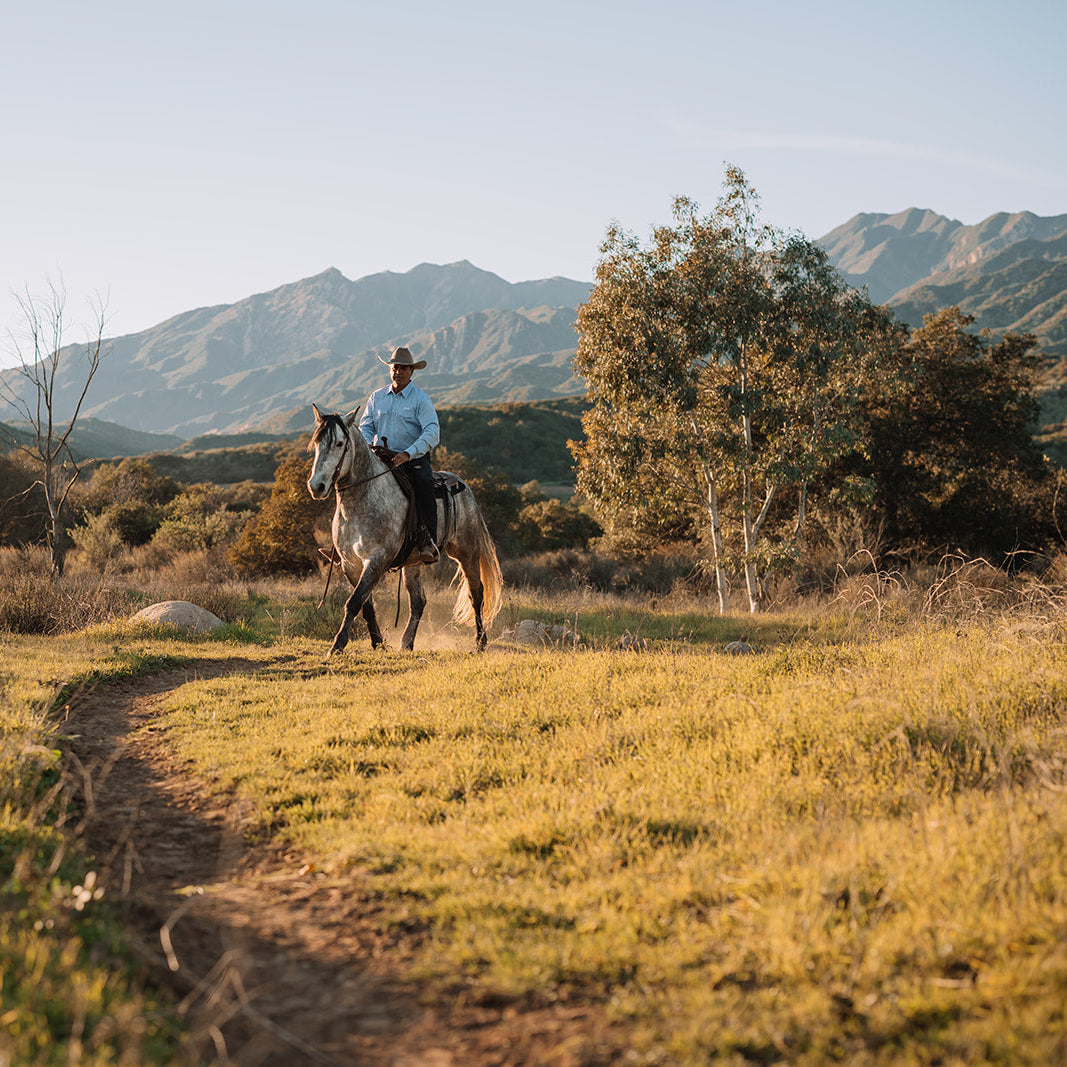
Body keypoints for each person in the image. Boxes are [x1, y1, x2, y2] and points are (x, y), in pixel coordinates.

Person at [359, 346, 441, 563]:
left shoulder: (420, 399)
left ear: (411, 371)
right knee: (349, 485)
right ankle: (345, 543)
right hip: (380, 458)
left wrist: (409, 452)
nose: (399, 372)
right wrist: (369, 446)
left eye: (404, 368)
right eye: (395, 367)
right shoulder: (376, 397)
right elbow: (365, 426)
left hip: (411, 458)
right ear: (390, 369)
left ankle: (428, 541)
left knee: (423, 485)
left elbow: (432, 432)